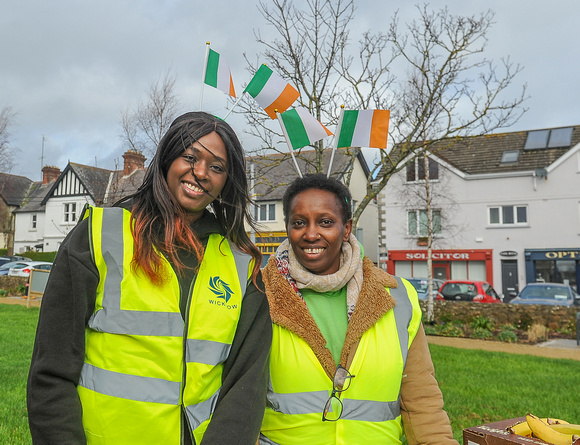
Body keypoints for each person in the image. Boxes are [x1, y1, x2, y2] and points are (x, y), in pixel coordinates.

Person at [27, 112, 272, 444]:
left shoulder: (242, 264)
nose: (200, 172)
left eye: (216, 167)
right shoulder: (97, 237)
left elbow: (246, 388)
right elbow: (51, 373)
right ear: (167, 157)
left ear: (227, 180)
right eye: (190, 157)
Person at [259, 173, 457, 445]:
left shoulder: (397, 298)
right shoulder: (260, 294)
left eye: (326, 222)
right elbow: (237, 400)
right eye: (299, 223)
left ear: (347, 228)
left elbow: (422, 401)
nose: (311, 233)